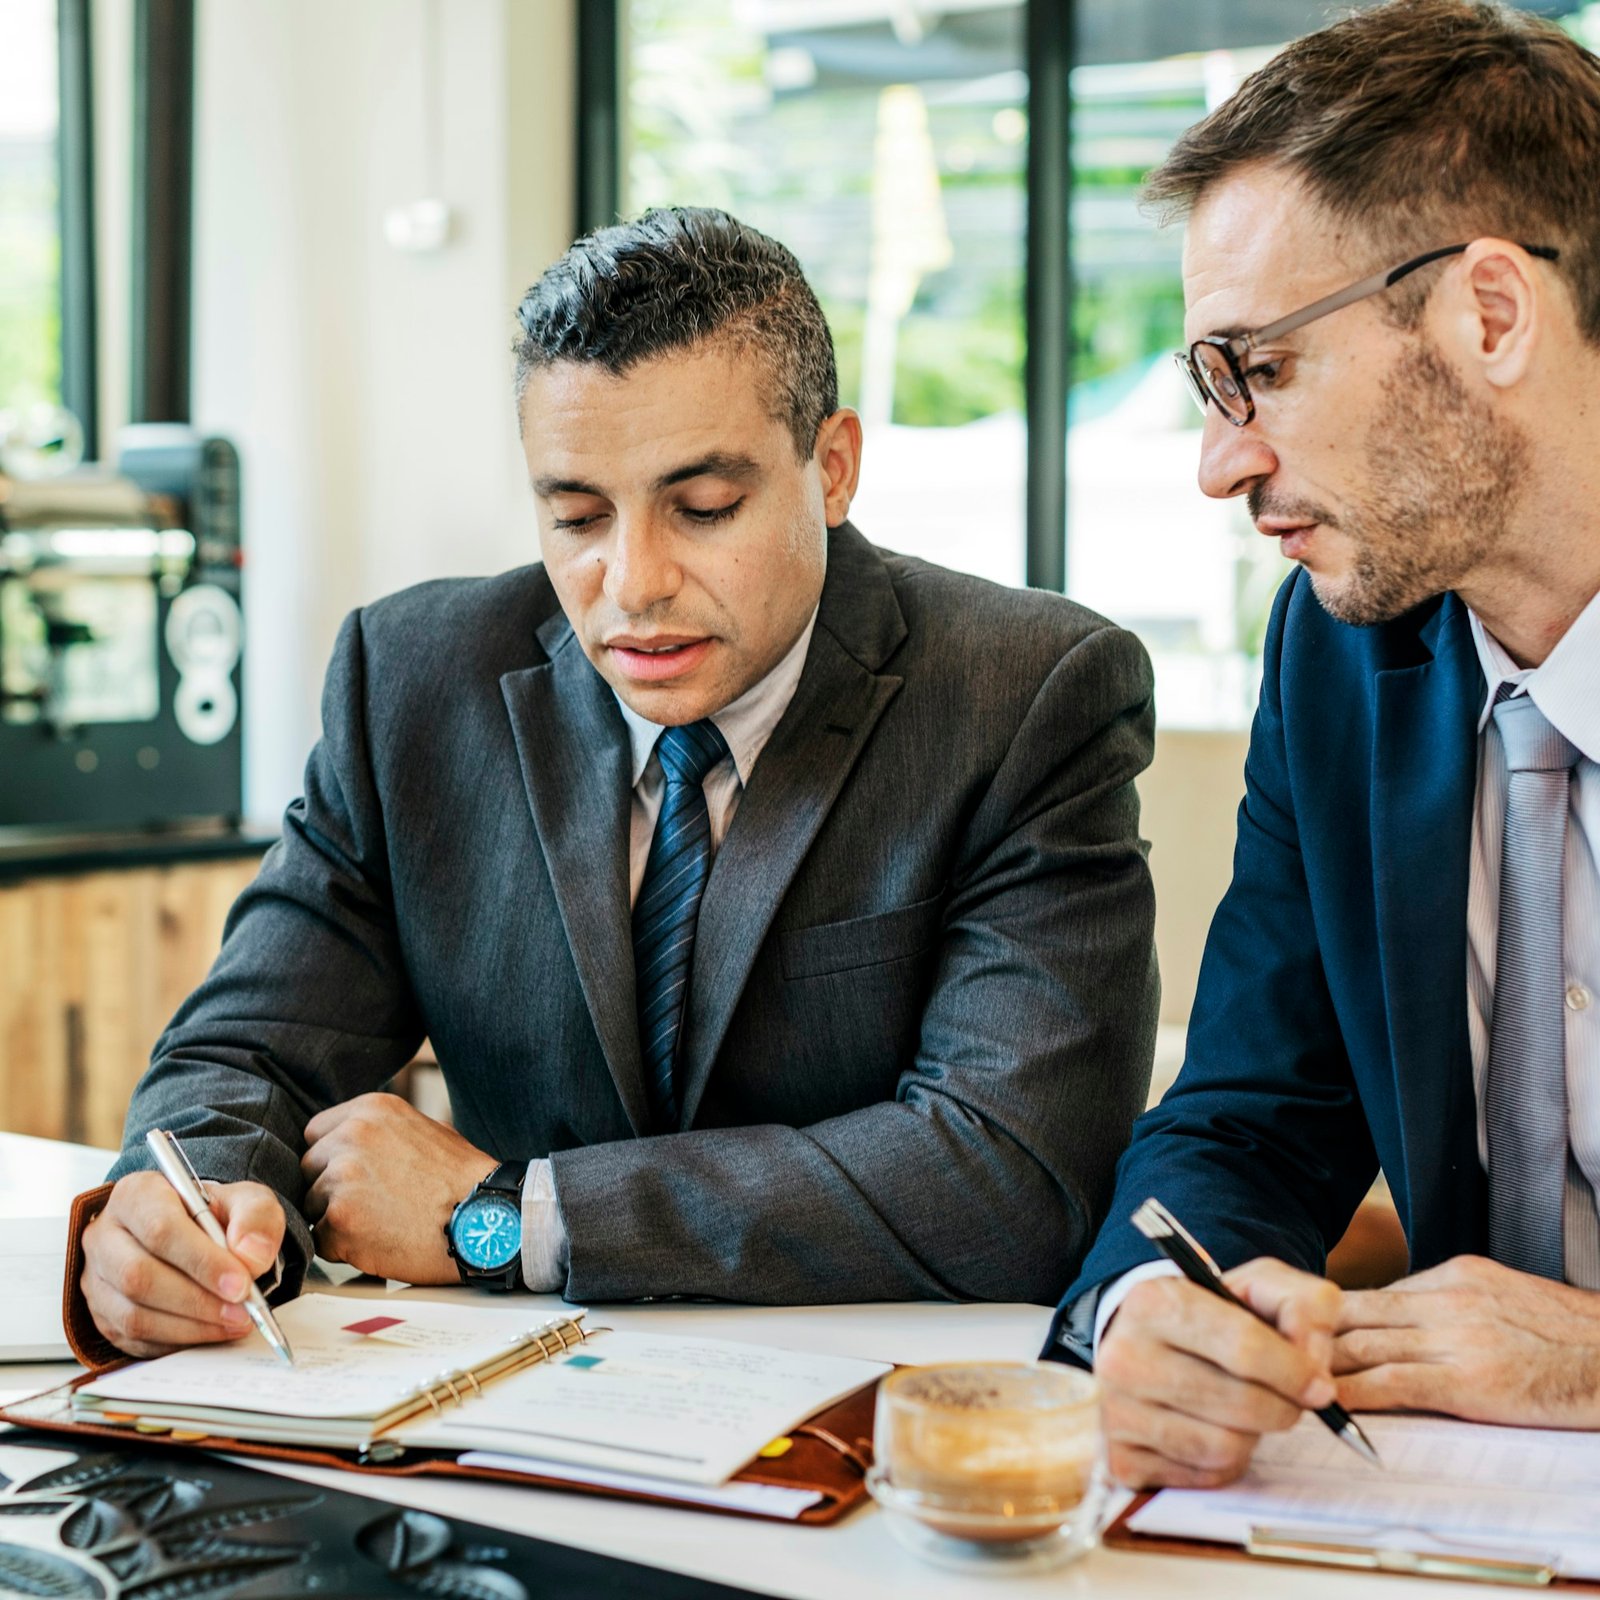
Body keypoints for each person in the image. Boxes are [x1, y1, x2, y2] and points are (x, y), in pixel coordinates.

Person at [74, 207, 1159, 1362]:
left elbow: (1009, 1176)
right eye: (576, 515)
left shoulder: (1028, 693)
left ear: (830, 467)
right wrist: (182, 1213)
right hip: (499, 1421)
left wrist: (507, 1216)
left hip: (882, 1424)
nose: (630, 584)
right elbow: (243, 1055)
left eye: (702, 508)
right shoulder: (410, 683)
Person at [1046, 0, 1600, 1488]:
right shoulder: (1342, 650)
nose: (1225, 461)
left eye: (1263, 371)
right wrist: (1151, 1307)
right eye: (1208, 390)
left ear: (1490, 314)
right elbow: (1251, 1111)